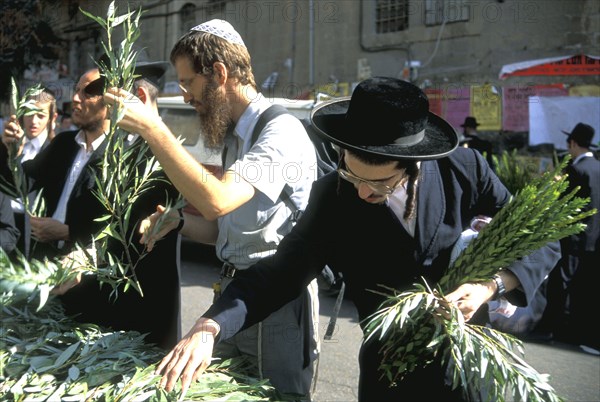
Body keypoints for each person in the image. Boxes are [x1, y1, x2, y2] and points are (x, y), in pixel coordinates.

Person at [150, 77, 560, 401]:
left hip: (464, 365)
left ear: (412, 165)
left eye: (378, 184)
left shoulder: (462, 168)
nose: (362, 192)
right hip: (388, 369)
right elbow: (281, 271)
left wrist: (489, 285)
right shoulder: (334, 196)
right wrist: (210, 325)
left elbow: (539, 234)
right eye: (353, 173)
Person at [104, 19, 319, 397]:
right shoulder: (236, 134)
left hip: (276, 306)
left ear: (219, 73)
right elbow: (228, 229)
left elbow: (216, 199)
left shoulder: (280, 132)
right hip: (235, 296)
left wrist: (155, 129)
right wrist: (178, 223)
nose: (186, 95)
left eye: (188, 83)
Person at [55, 60, 183, 350]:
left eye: (113, 99)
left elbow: (138, 237)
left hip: (140, 312)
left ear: (136, 97)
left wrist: (88, 257)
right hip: (99, 305)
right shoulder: (116, 149)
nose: (107, 108)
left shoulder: (160, 157)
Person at [0, 70, 109, 262]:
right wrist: (7, 149)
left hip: (86, 274)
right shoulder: (64, 144)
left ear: (110, 101)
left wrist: (69, 232)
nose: (75, 98)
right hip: (46, 263)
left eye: (88, 93)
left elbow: (119, 229)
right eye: (76, 90)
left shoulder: (118, 156)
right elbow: (17, 185)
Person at [539, 122, 599, 354]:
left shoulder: (576, 170)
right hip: (593, 239)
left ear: (573, 143)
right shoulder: (598, 167)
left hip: (573, 236)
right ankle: (575, 330)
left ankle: (553, 327)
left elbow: (564, 204)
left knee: (561, 282)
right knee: (582, 287)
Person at [0, 87, 58, 256]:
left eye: (40, 115)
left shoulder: (56, 151)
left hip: (36, 234)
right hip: (6, 228)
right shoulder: (9, 143)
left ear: (52, 117)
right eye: (29, 113)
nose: (34, 121)